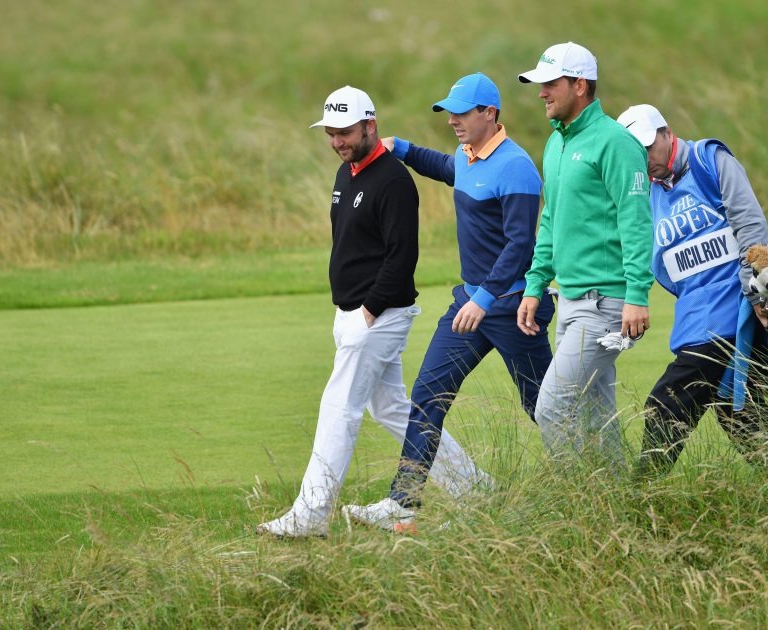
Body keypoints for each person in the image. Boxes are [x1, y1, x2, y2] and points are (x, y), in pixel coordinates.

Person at [257, 86, 485, 538]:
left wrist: (367, 313)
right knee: (394, 410)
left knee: (338, 406)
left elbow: (402, 259)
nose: (337, 141)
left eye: (345, 132)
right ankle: (475, 488)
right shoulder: (349, 173)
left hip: (378, 317)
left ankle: (311, 514)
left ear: (369, 126)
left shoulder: (393, 180)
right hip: (354, 314)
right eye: (331, 134)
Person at [343, 73, 554, 531]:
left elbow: (521, 245)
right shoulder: (470, 156)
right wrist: (402, 150)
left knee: (544, 407)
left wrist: (483, 297)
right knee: (427, 395)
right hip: (472, 306)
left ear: (490, 114)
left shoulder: (516, 167)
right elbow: (446, 167)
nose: (453, 120)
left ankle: (590, 483)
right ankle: (403, 505)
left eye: (462, 113)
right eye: (450, 113)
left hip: (516, 308)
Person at [616, 103, 768, 476]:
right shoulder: (646, 192)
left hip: (736, 308)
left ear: (667, 133)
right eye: (635, 154)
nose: (645, 159)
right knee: (739, 413)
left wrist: (756, 294)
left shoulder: (710, 160)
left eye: (648, 148)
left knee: (665, 401)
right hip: (695, 313)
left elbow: (750, 226)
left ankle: (640, 498)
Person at [515, 42, 654, 465]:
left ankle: (576, 505)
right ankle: (620, 510)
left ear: (579, 85)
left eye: (550, 84)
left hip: (605, 305)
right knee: (598, 419)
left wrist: (637, 295)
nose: (541, 93)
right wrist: (535, 284)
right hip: (571, 300)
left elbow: (636, 221)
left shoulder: (615, 142)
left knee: (552, 410)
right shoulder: (555, 144)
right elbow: (551, 220)